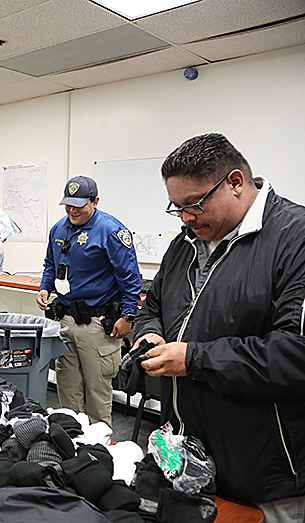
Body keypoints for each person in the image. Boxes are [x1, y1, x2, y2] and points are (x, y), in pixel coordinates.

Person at [134, 133, 305, 521]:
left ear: (235, 183)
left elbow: (295, 356)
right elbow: (155, 304)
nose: (186, 218)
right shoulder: (187, 241)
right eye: (176, 208)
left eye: (194, 204)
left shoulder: (296, 239)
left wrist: (194, 359)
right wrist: (150, 332)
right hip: (185, 461)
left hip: (265, 477)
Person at [36, 175, 141, 427]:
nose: (72, 210)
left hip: (97, 325)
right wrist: (44, 288)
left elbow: (130, 278)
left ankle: (99, 449)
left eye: (79, 205)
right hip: (64, 321)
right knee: (67, 390)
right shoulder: (59, 228)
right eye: (68, 204)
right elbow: (51, 264)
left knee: (97, 392)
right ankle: (71, 443)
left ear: (95, 201)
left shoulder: (111, 231)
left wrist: (128, 316)